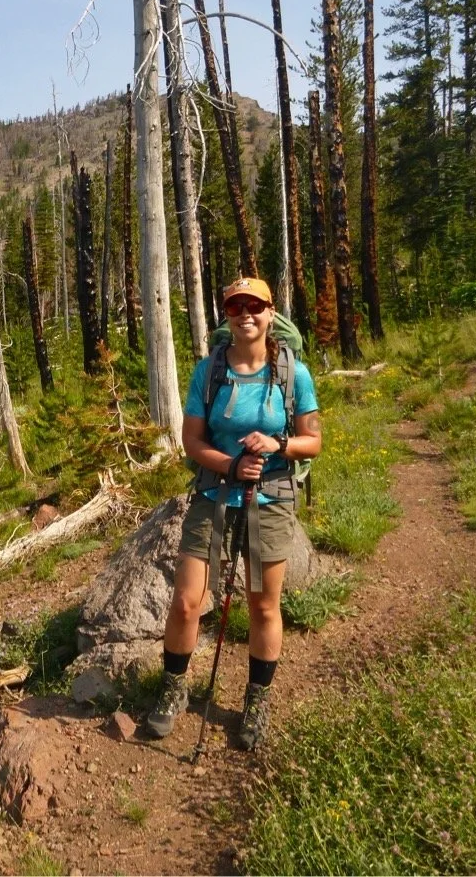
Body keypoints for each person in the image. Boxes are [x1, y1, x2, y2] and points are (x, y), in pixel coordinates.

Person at [142, 277, 322, 750]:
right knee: (186, 600)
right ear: (226, 314)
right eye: (236, 306)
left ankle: (257, 699)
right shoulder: (210, 372)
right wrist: (231, 465)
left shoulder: (293, 374)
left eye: (254, 305)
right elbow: (192, 442)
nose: (246, 313)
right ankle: (174, 687)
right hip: (214, 497)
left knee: (263, 604)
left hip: (272, 501)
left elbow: (314, 441)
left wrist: (279, 444)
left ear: (270, 311)